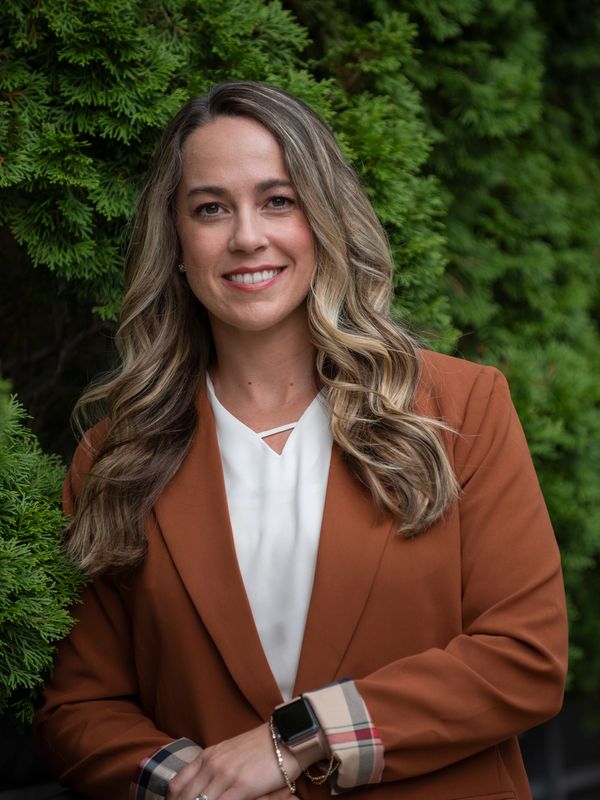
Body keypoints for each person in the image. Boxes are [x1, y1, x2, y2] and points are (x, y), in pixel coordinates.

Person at [33, 81, 568, 800]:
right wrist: (190, 786)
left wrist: (302, 736)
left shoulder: (460, 408)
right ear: (179, 242)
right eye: (211, 208)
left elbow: (525, 658)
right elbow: (80, 709)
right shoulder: (115, 456)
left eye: (277, 200)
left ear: (324, 218)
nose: (246, 235)